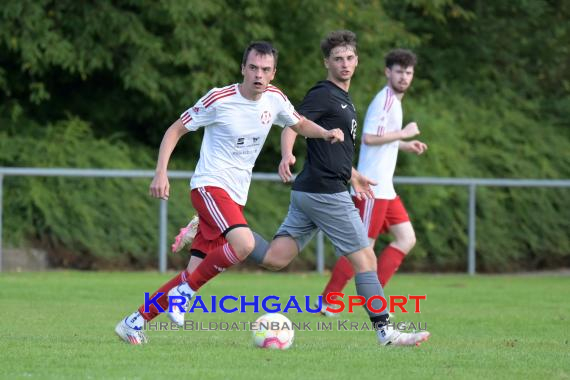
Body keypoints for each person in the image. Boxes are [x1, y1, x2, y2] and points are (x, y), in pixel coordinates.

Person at [171, 32, 430, 347]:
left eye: (349, 58)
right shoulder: (324, 94)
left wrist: (352, 174)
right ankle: (385, 331)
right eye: (338, 59)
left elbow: (329, 145)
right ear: (327, 63)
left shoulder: (344, 98)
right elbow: (294, 123)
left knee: (275, 259)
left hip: (312, 190)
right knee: (366, 260)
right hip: (326, 193)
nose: (345, 64)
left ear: (357, 61)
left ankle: (219, 227)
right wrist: (287, 153)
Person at [114, 41, 344, 345]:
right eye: (252, 68)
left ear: (273, 73)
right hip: (209, 185)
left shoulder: (274, 99)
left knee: (193, 272)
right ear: (242, 68)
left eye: (265, 69)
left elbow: (299, 123)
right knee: (244, 243)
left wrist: (325, 132)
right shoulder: (219, 99)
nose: (258, 75)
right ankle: (186, 294)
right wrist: (161, 171)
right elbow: (175, 130)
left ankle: (134, 321)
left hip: (234, 197)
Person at [318, 49, 427, 316]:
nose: (404, 77)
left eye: (408, 72)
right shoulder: (386, 100)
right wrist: (402, 132)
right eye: (399, 71)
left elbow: (382, 139)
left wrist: (404, 144)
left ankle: (372, 294)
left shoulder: (395, 102)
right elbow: (368, 138)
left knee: (406, 238)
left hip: (386, 190)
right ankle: (329, 299)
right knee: (361, 246)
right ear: (387, 72)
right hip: (371, 188)